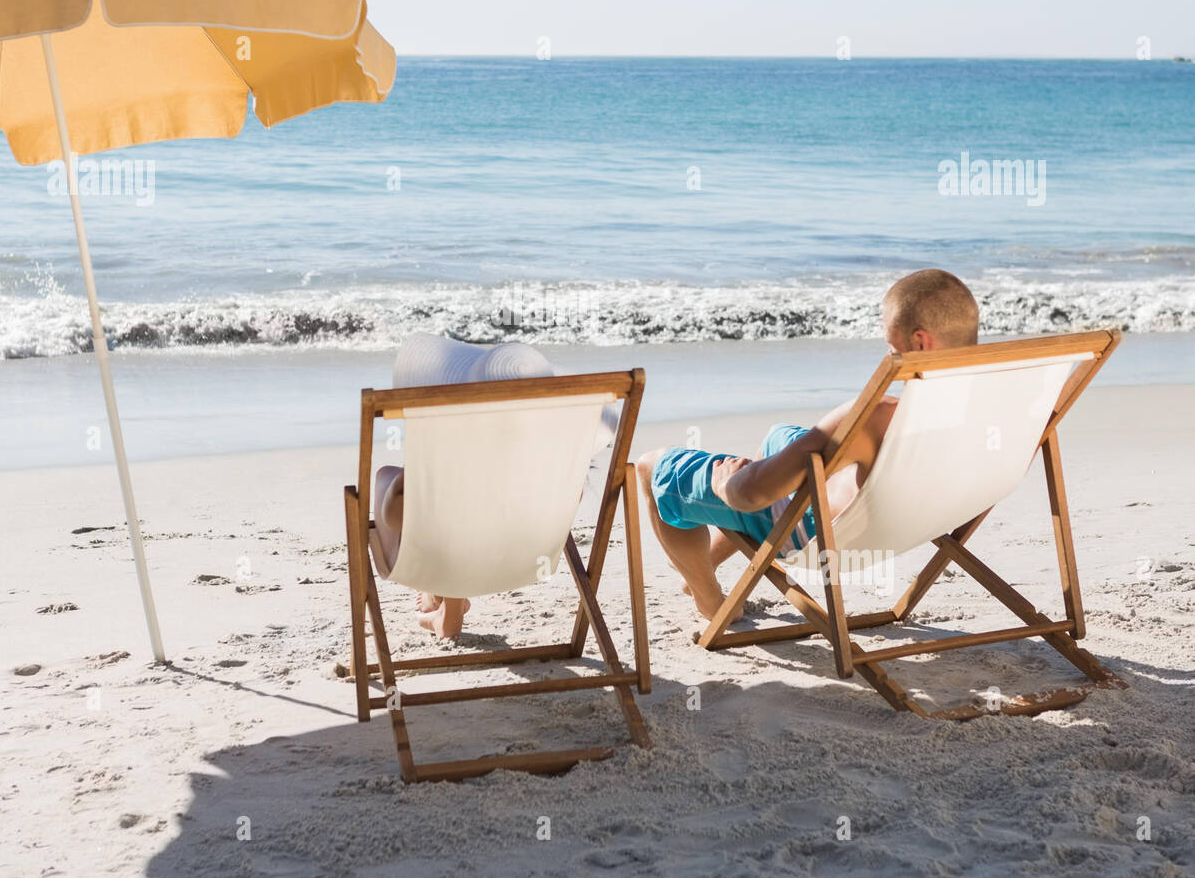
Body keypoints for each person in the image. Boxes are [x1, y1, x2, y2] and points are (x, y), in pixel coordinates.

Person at [637, 269, 980, 620]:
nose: (887, 355)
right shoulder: (1009, 408)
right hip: (919, 522)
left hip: (819, 534)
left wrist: (729, 484)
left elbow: (752, 495)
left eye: (892, 347)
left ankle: (711, 601)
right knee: (780, 435)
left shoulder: (877, 418)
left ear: (921, 343)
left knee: (653, 467)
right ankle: (705, 560)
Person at [374, 334, 616, 639]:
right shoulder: (553, 457)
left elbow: (398, 514)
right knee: (464, 502)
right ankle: (446, 607)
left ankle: (443, 597)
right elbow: (573, 500)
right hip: (526, 555)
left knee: (399, 484)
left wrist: (398, 480)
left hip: (449, 546)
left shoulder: (453, 446)